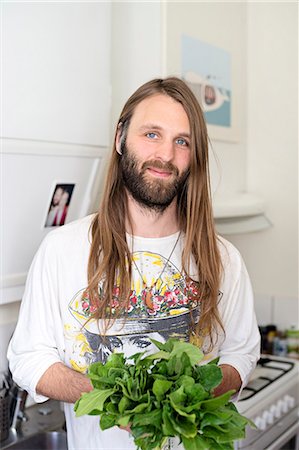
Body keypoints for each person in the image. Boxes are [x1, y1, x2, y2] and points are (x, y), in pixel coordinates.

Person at [8, 77, 260, 450]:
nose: (166, 155)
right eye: (152, 134)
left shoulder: (224, 259)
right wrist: (109, 395)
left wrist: (192, 391)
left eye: (182, 141)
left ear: (195, 155)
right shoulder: (63, 250)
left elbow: (242, 353)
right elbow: (29, 358)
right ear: (120, 139)